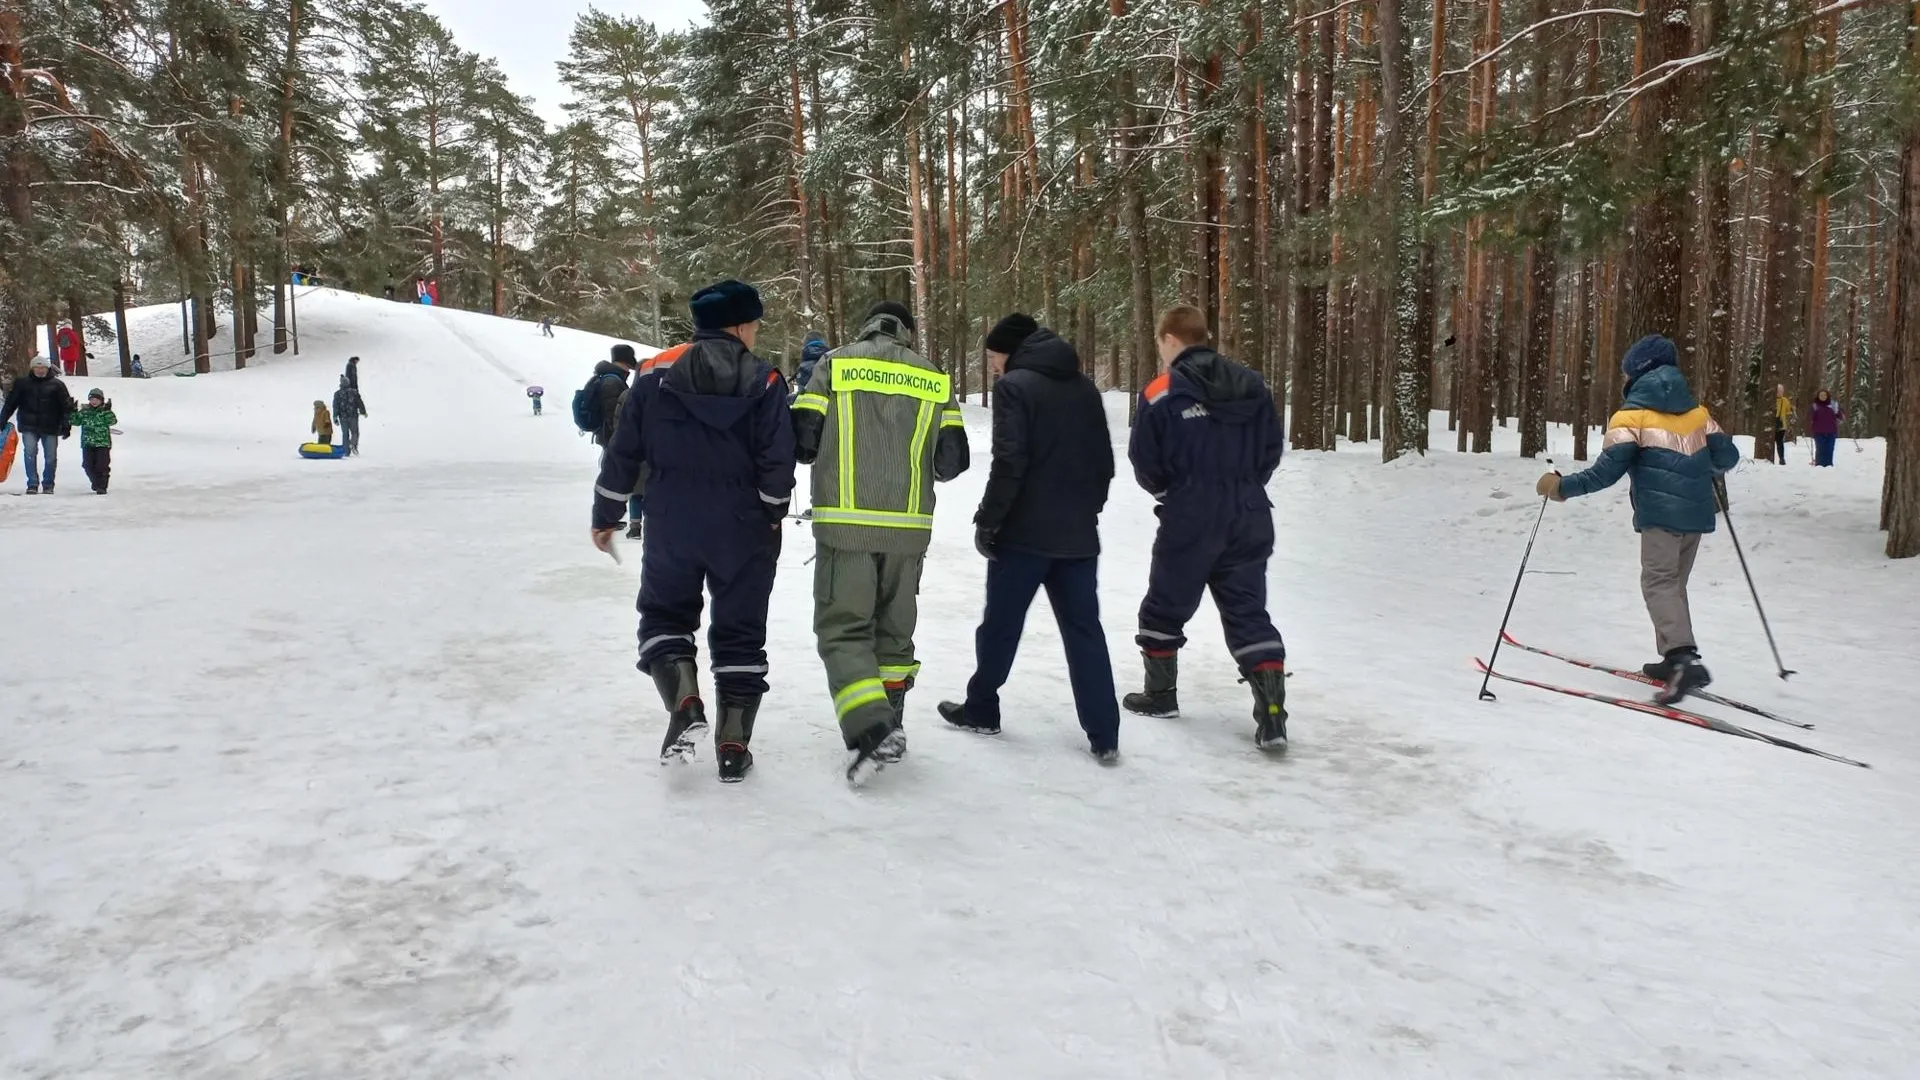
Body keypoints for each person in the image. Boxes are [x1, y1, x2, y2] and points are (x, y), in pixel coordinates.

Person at [591, 279, 794, 783]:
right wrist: (773, 509)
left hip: (670, 522)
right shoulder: (766, 380)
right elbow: (777, 459)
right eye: (755, 325)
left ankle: (684, 701)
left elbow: (624, 451)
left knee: (664, 616)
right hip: (744, 527)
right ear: (742, 324)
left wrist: (606, 511)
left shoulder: (654, 372)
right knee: (742, 634)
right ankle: (732, 745)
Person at [792, 301, 969, 785]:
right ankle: (892, 721)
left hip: (846, 525)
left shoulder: (835, 364)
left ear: (866, 326)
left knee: (843, 629)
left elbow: (802, 440)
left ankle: (872, 728)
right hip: (908, 529)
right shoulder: (934, 378)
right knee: (893, 634)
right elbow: (952, 462)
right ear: (907, 333)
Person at [936, 315, 1120, 763]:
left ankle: (982, 708)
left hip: (1024, 535)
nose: (994, 366)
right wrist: (1086, 512)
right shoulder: (1084, 388)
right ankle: (1105, 733)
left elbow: (1010, 460)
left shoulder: (1015, 387)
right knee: (1084, 631)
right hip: (1078, 536)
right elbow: (1104, 463)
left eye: (995, 356)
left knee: (1000, 625)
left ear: (1010, 352)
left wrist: (989, 519)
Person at [1536, 334, 1740, 704]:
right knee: (1673, 585)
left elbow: (1606, 473)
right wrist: (1695, 460)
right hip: (1696, 514)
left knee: (1659, 583)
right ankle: (1673, 655)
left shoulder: (1629, 416)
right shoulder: (1699, 413)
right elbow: (1726, 459)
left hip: (1660, 516)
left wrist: (1562, 487)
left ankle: (1681, 659)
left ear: (1636, 373)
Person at [1123, 305, 1290, 751]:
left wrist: (1172, 493)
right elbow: (1271, 447)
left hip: (1191, 514)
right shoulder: (1252, 385)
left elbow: (1145, 460)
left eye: (1160, 343)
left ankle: (1160, 695)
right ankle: (1272, 711)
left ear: (1170, 340)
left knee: (1164, 605)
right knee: (1248, 611)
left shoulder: (1160, 391)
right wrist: (1246, 486)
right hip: (1250, 512)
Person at [587, 344, 644, 536]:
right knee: (616, 471)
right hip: (611, 436)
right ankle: (612, 515)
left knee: (616, 470)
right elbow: (614, 415)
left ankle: (613, 514)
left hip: (608, 435)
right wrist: (622, 438)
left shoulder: (610, 378)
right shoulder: (613, 382)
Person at [0, 356, 77, 494]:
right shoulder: (22, 384)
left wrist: (66, 425)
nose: (40, 370)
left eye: (43, 368)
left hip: (51, 426)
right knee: (30, 453)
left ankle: (48, 484)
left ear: (48, 369)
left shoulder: (57, 385)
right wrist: (2, 420)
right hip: (29, 425)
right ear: (32, 368)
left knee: (50, 457)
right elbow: (11, 404)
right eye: (37, 367)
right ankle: (32, 483)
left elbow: (66, 407)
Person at [70, 389, 117, 494]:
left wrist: (108, 411)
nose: (94, 401)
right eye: (92, 399)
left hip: (103, 444)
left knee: (102, 465)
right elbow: (75, 421)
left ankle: (102, 486)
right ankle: (95, 482)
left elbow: (113, 421)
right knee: (87, 465)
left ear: (101, 400)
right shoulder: (85, 412)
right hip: (88, 443)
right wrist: (72, 410)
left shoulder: (104, 411)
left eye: (96, 399)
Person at [333, 374, 368, 456]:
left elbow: (335, 406)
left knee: (345, 434)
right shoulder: (354, 392)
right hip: (353, 416)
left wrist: (335, 417)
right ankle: (353, 444)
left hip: (343, 417)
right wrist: (363, 412)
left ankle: (346, 451)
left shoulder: (337, 394)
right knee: (355, 432)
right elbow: (360, 403)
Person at [1808, 389, 1842, 467]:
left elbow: (1839, 416)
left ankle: (1829, 465)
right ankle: (1819, 465)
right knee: (1820, 449)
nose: (1823, 397)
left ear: (1827, 396)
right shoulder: (1815, 406)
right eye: (1821, 395)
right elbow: (1810, 417)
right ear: (1818, 396)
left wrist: (1840, 413)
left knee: (1829, 449)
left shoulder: (1833, 405)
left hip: (1831, 432)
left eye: (1824, 395)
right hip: (1819, 432)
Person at [1772, 384, 1792, 465]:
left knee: (1779, 442)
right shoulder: (1771, 400)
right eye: (1778, 391)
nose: (1779, 393)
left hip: (1781, 426)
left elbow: (1788, 412)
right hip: (1772, 425)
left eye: (1781, 391)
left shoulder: (1785, 400)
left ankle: (1781, 458)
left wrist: (1791, 412)